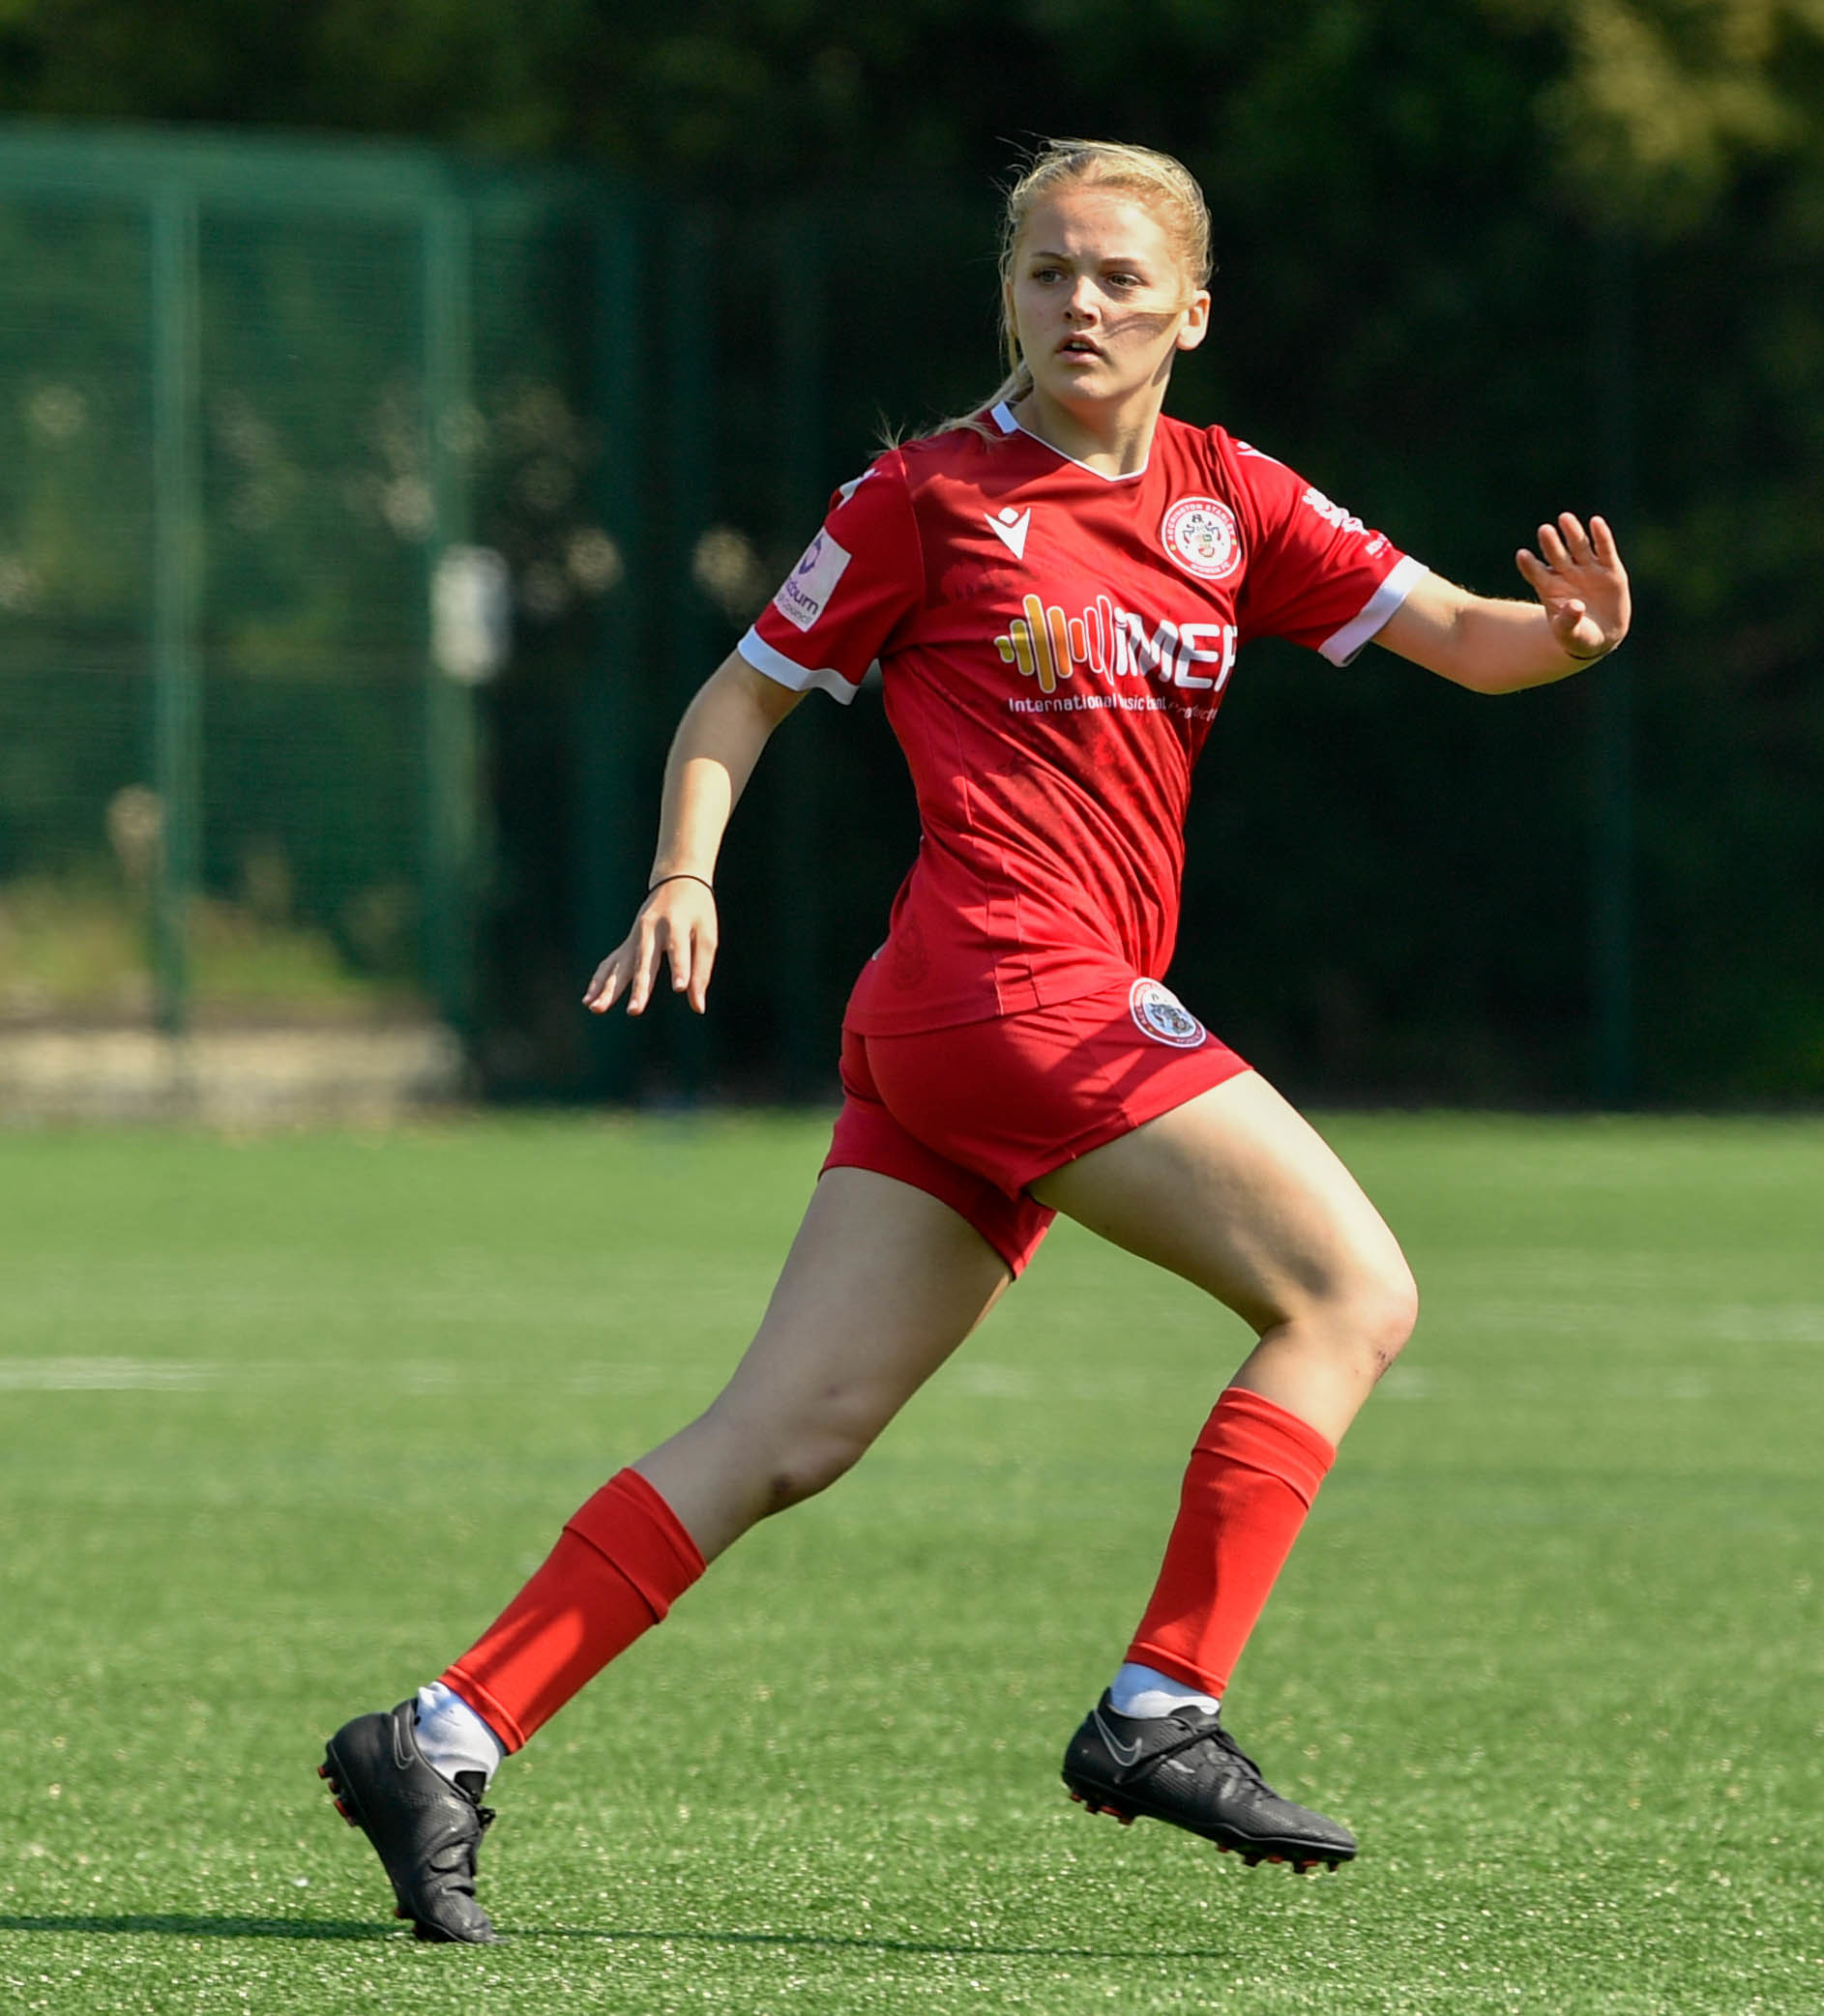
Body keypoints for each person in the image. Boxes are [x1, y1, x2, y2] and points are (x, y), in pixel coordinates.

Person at [320, 137, 1630, 1943]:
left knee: (789, 1427)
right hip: (1011, 989)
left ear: (1190, 310)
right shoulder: (923, 496)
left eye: (1116, 277)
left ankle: (442, 1732)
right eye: (1045, 271)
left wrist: (1570, 638)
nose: (1078, 304)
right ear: (1006, 293)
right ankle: (1161, 1703)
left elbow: (1472, 643)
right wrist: (684, 872)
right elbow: (737, 696)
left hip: (969, 1030)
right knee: (1351, 1293)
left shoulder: (1230, 495)